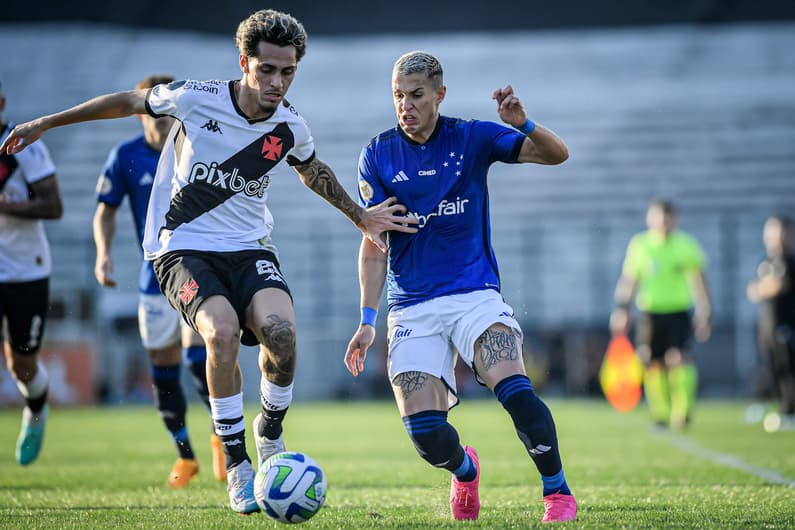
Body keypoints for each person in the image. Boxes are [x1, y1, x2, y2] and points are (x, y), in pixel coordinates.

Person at [2, 9, 417, 514]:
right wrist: (48, 121)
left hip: (249, 248)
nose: (276, 82)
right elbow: (128, 101)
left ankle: (268, 433)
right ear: (244, 62)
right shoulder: (196, 98)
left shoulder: (290, 126)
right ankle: (239, 467)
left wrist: (360, 216)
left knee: (282, 337)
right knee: (219, 333)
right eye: (267, 70)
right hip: (182, 248)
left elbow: (312, 171)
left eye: (287, 72)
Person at [344, 51, 577, 523]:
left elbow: (558, 155)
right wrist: (367, 321)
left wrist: (524, 123)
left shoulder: (470, 137)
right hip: (411, 307)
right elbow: (373, 245)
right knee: (426, 435)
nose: (405, 105)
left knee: (515, 390)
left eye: (415, 95)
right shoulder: (378, 154)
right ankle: (465, 470)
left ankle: (556, 491)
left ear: (439, 95)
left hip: (475, 297)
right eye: (397, 96)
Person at [93, 74, 226, 486]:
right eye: (157, 113)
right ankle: (185, 457)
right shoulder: (125, 156)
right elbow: (105, 210)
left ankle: (223, 439)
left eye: (171, 113)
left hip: (193, 271)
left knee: (196, 356)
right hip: (153, 278)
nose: (166, 121)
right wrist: (103, 254)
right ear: (141, 114)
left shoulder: (195, 149)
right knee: (163, 369)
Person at [0, 80, 63, 465]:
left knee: (21, 365)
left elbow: (53, 205)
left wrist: (10, 208)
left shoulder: (22, 146)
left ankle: (36, 409)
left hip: (26, 270)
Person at [610, 199, 712, 430]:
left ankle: (682, 411)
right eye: (658, 217)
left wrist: (705, 311)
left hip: (678, 311)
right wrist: (622, 310)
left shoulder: (686, 244)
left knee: (679, 358)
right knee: (651, 362)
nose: (663, 222)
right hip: (649, 312)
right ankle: (661, 414)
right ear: (650, 219)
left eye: (668, 217)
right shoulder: (641, 245)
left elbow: (699, 281)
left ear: (675, 219)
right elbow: (630, 280)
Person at [747, 215, 795, 430]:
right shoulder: (764, 262)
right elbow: (752, 291)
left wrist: (764, 287)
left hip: (787, 324)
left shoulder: (789, 262)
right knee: (772, 368)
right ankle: (781, 408)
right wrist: (765, 287)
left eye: (781, 231)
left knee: (788, 368)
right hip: (767, 324)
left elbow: (779, 285)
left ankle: (790, 411)